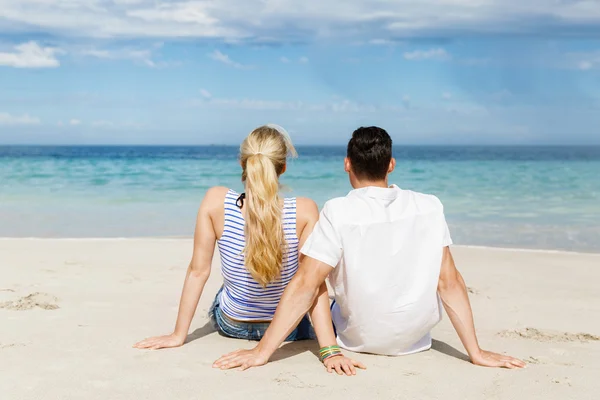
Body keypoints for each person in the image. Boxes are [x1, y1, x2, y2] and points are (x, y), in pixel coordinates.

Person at [213, 126, 526, 375]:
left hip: (356, 339)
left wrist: (261, 352)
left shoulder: (338, 211)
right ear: (391, 165)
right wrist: (476, 352)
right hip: (415, 340)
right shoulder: (430, 206)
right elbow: (450, 282)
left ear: (347, 164)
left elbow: (305, 285)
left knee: (317, 282)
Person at [133, 124, 362, 373]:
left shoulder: (215, 200)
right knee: (313, 284)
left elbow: (198, 272)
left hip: (232, 324)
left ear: (243, 164)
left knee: (228, 287)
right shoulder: (304, 211)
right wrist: (329, 351)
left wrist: (178, 335)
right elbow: (313, 284)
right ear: (282, 167)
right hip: (289, 329)